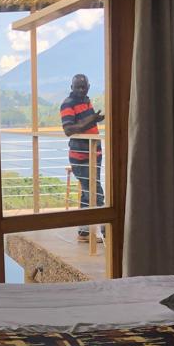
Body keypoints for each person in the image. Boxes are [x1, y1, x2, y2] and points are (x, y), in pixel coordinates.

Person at [60, 74, 105, 241]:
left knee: (88, 194)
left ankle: (84, 232)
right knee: (96, 194)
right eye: (77, 87)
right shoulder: (68, 103)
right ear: (71, 87)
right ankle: (106, 231)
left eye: (83, 87)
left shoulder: (86, 101)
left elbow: (85, 124)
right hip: (81, 157)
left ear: (88, 87)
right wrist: (91, 119)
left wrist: (95, 120)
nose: (80, 90)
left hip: (94, 154)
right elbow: (68, 130)